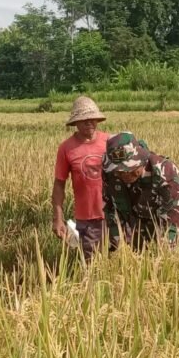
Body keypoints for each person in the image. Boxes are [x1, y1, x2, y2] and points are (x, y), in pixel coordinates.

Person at [101, 131, 179, 250]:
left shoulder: (164, 171)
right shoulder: (111, 174)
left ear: (141, 159)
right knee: (142, 257)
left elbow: (171, 219)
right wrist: (118, 248)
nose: (125, 174)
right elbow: (112, 211)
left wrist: (165, 258)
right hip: (144, 219)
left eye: (130, 169)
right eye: (119, 171)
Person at [52, 96, 109, 260]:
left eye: (92, 119)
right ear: (75, 123)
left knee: (117, 261)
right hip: (87, 219)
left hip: (114, 214)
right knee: (91, 264)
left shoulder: (110, 141)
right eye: (83, 120)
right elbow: (59, 185)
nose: (89, 123)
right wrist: (58, 218)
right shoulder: (66, 148)